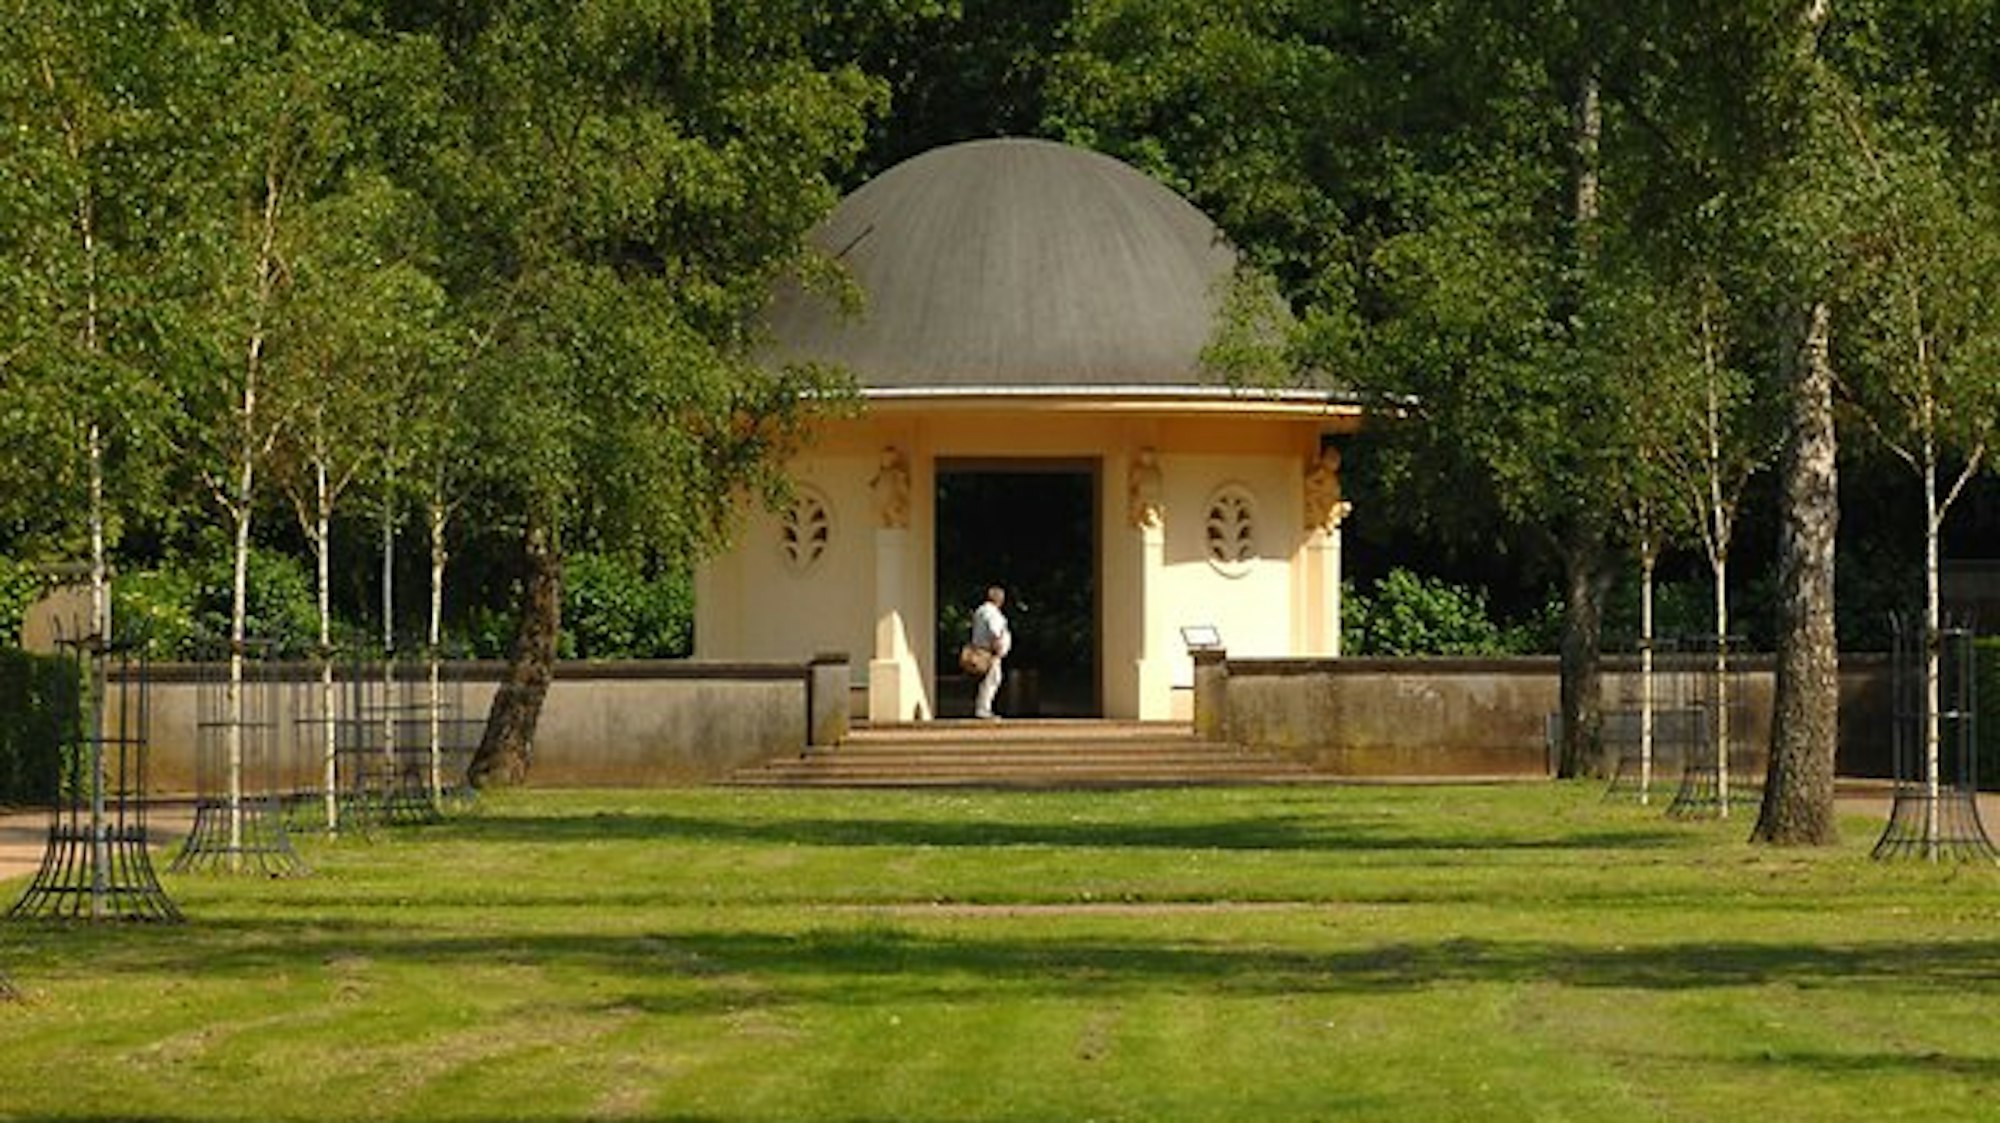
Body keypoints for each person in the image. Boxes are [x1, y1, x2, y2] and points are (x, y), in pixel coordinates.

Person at [969, 585, 1011, 720]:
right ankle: (983, 709)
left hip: (980, 649)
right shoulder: (992, 612)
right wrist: (997, 648)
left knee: (987, 680)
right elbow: (995, 631)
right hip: (989, 651)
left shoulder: (980, 611)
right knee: (992, 679)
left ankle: (982, 708)